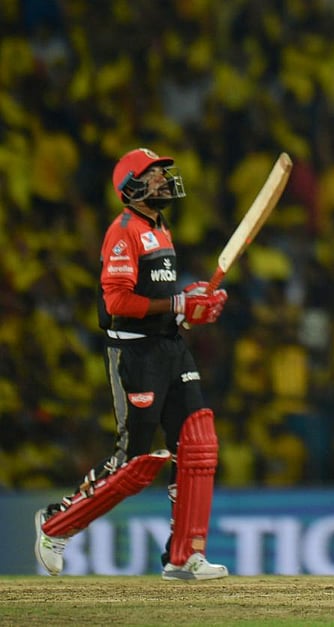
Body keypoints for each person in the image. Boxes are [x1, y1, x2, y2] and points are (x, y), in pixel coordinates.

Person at [34, 147, 230, 580]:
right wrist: (177, 302)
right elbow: (118, 302)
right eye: (154, 173)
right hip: (135, 354)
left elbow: (158, 297)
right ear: (131, 186)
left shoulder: (161, 228)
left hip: (170, 346)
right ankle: (55, 525)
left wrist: (190, 306)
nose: (164, 179)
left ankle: (184, 556)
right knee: (135, 463)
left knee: (198, 441)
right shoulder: (121, 230)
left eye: (164, 172)